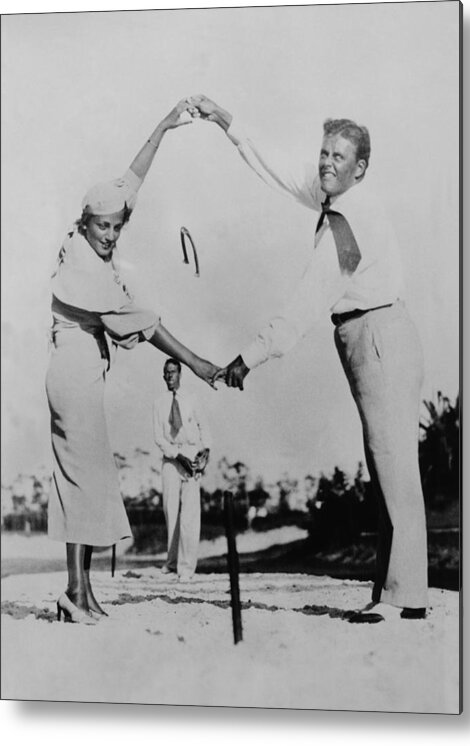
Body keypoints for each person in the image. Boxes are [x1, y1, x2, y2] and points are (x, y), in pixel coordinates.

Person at [188, 94, 428, 623]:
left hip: (378, 335)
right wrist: (226, 119)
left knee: (393, 468)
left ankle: (403, 597)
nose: (325, 163)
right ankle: (397, 593)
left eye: (338, 157)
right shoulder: (331, 195)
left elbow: (303, 303)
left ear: (359, 168)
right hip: (370, 335)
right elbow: (276, 166)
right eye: (323, 153)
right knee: (385, 464)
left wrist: (246, 360)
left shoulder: (347, 222)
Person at [46, 99, 219, 624]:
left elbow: (131, 179)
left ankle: (80, 591)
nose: (112, 235)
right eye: (104, 228)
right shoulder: (85, 268)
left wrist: (164, 125)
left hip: (82, 374)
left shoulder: (97, 232)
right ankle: (76, 592)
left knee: (91, 483)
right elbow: (144, 325)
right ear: (86, 223)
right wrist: (199, 363)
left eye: (117, 229)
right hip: (72, 376)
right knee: (87, 482)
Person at [153, 358, 211, 582]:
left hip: (191, 454)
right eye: (166, 373)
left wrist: (205, 451)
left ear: (180, 374)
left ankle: (186, 569)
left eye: (173, 372)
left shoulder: (192, 399)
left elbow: (204, 427)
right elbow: (158, 437)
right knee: (170, 510)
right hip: (171, 456)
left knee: (190, 514)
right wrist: (177, 456)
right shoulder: (158, 403)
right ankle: (171, 562)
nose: (169, 376)